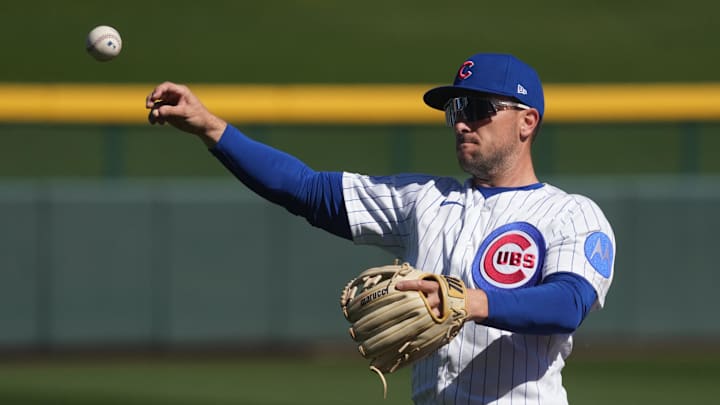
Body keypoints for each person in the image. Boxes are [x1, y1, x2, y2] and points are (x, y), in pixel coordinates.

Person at [145, 52, 615, 405]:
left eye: (479, 109)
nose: (462, 123)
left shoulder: (570, 214)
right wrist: (210, 127)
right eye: (456, 111)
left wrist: (469, 302)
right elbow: (306, 190)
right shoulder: (426, 201)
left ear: (526, 121)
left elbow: (567, 304)